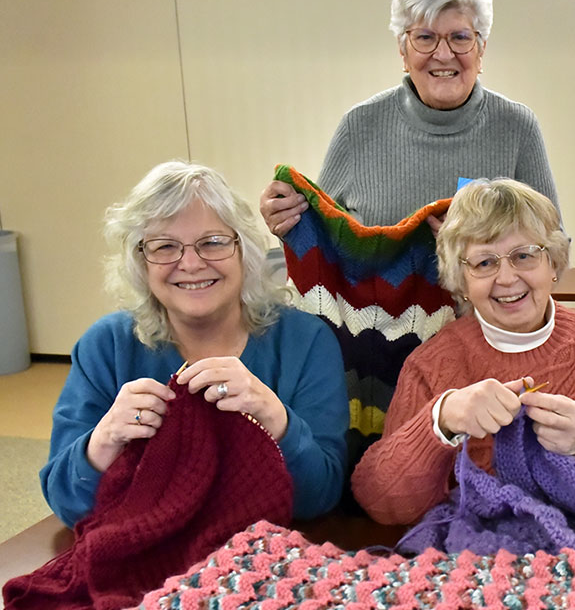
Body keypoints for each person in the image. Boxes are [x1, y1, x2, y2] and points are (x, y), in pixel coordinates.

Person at [42, 162, 349, 526]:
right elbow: (66, 502)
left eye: (212, 242)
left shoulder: (306, 341)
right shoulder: (106, 346)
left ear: (245, 252)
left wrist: (275, 418)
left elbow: (320, 496)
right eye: (165, 246)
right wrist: (105, 439)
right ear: (140, 263)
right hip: (147, 564)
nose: (190, 263)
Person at [351, 179, 575, 525]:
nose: (507, 278)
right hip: (472, 565)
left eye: (524, 256)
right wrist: (441, 420)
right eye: (484, 263)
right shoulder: (431, 363)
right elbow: (379, 501)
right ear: (461, 281)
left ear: (554, 264)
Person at [259, 0, 558, 235]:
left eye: (460, 37)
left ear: (481, 49)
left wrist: (477, 250)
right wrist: (288, 222)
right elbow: (323, 243)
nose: (443, 54)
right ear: (403, 51)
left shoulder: (517, 127)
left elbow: (555, 247)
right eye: (425, 37)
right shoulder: (359, 126)